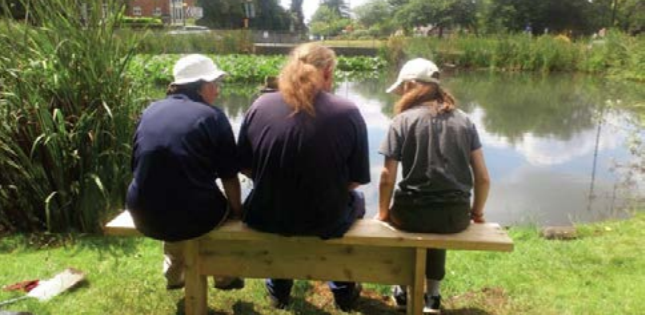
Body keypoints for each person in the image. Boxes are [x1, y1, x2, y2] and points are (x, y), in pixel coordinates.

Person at [237, 42, 370, 311]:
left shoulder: (260, 105)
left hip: (265, 215)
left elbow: (245, 167)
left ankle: (278, 291)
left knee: (280, 199)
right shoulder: (347, 111)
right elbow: (355, 179)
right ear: (328, 72)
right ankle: (343, 289)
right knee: (353, 200)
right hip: (324, 220)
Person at [376, 58, 490, 314]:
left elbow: (387, 177)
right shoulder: (464, 121)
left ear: (412, 86)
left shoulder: (402, 121)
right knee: (439, 215)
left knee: (401, 221)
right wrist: (476, 213)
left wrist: (383, 212)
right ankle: (433, 297)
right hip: (456, 217)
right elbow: (483, 178)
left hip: (411, 215)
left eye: (403, 88)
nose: (401, 94)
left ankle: (401, 290)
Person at [126, 54, 243, 291]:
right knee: (213, 207)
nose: (218, 92)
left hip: (143, 213)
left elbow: (135, 165)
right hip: (193, 215)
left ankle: (173, 272)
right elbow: (230, 176)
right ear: (202, 87)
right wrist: (237, 212)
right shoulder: (213, 117)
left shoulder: (150, 111)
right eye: (215, 85)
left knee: (174, 195)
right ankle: (224, 275)